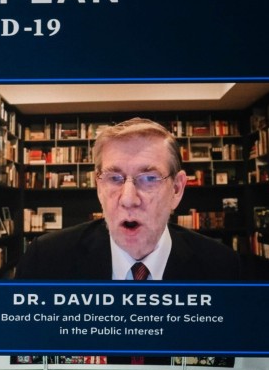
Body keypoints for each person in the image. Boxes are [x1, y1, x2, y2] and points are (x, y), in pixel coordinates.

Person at [15, 117, 241, 281]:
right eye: (114, 178)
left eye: (149, 178)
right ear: (98, 186)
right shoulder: (44, 261)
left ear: (177, 189)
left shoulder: (223, 268)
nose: (129, 199)